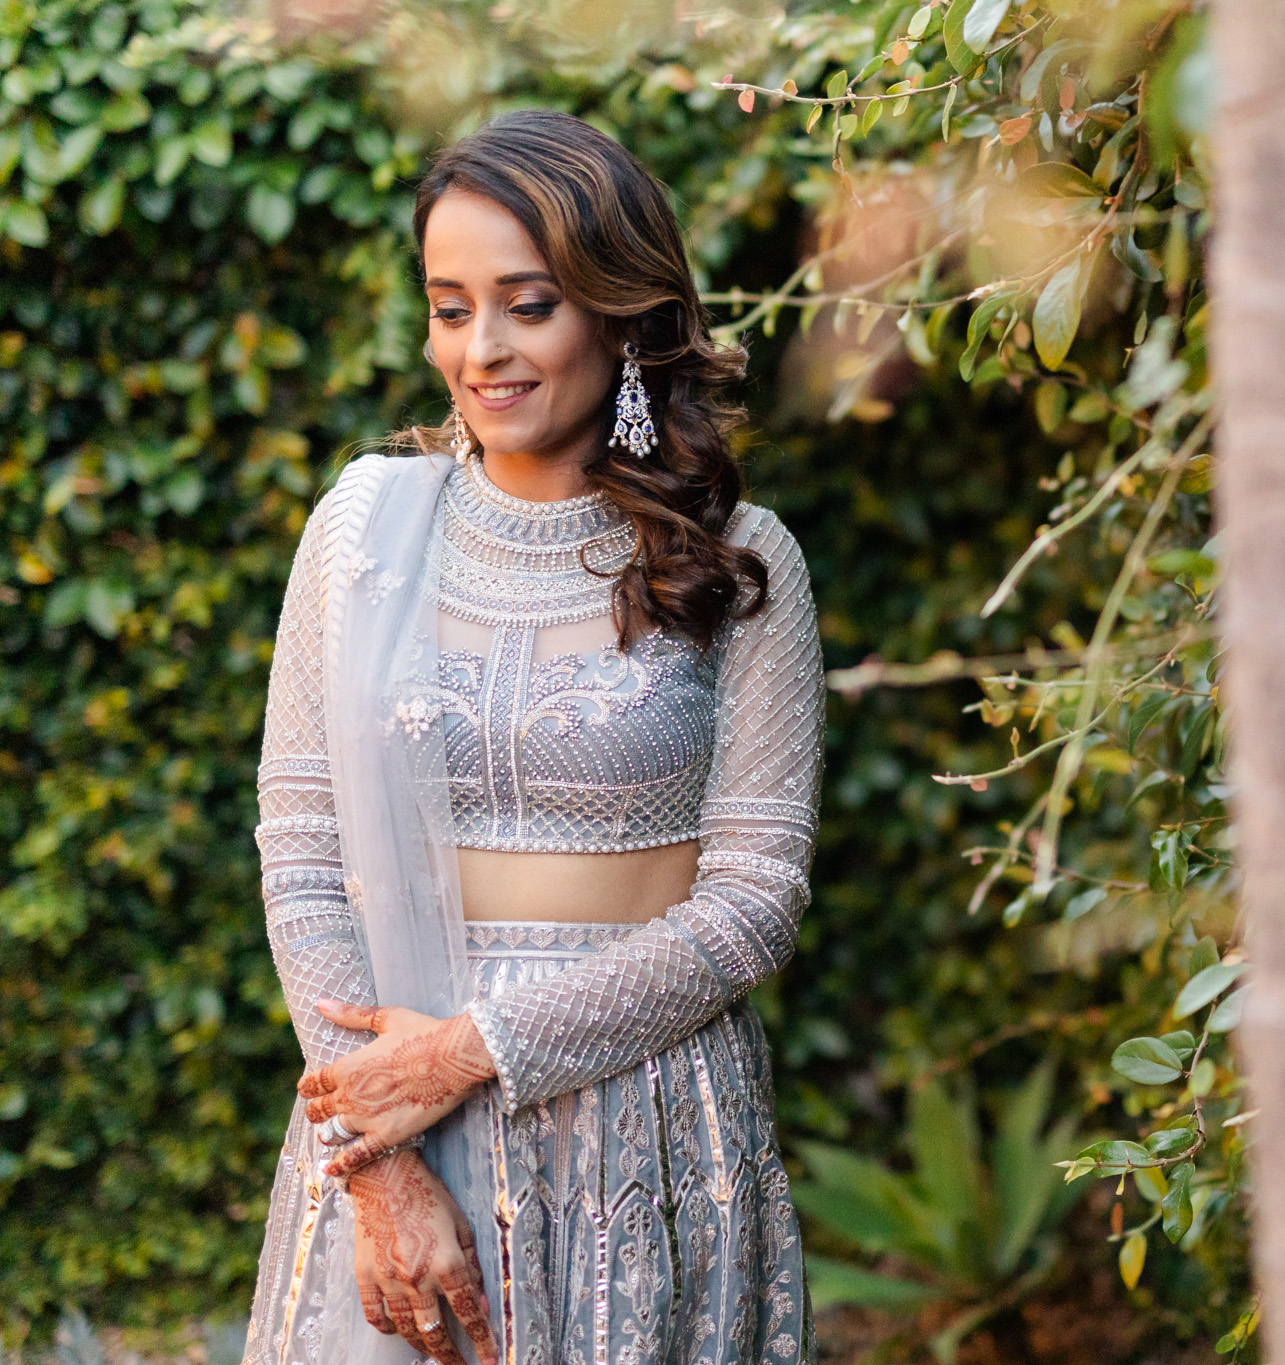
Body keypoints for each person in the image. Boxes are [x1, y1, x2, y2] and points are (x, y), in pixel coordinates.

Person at [241, 109, 824, 1365]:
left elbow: (755, 903)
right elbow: (300, 851)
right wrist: (379, 1161)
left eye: (527, 303)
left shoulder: (738, 563)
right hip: (385, 1115)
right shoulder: (362, 536)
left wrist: (474, 1051)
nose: (483, 350)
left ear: (621, 314)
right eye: (451, 308)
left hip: (647, 1127)